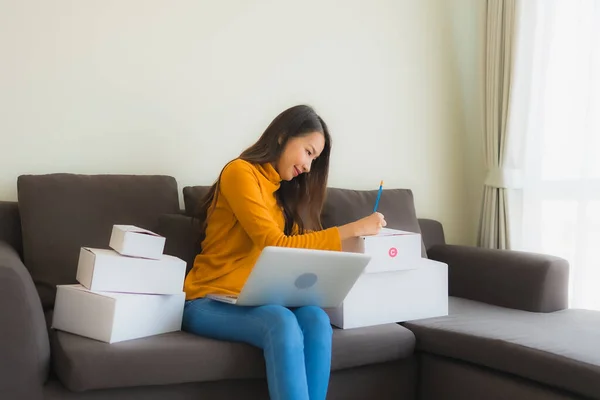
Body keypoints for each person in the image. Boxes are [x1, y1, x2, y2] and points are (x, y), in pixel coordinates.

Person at [182, 104, 386, 400]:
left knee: (317, 319)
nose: (308, 167)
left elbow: (300, 242)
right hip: (208, 299)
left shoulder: (278, 196)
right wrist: (352, 229)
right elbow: (275, 243)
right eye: (308, 152)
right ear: (282, 137)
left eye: (313, 159)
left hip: (254, 300)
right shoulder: (240, 173)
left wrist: (355, 242)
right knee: (281, 321)